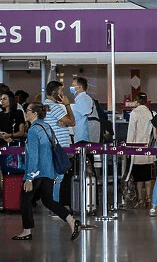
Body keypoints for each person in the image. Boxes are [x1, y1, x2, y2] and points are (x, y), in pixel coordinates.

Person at [11, 102, 81, 241]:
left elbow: (33, 155)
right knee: (48, 201)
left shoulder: (33, 130)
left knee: (25, 200)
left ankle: (27, 231)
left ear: (35, 113)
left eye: (28, 110)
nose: (26, 113)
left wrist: (29, 177)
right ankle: (71, 221)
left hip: (36, 172)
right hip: (48, 171)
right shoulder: (47, 127)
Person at [41, 81, 76, 209]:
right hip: (58, 147)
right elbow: (72, 122)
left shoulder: (45, 105)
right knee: (58, 178)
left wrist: (63, 122)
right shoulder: (53, 107)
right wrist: (67, 105)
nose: (63, 94)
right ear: (54, 92)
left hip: (51, 146)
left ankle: (53, 205)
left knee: (54, 178)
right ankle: (54, 207)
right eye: (61, 91)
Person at [126, 92, 155, 209]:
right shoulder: (151, 113)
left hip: (136, 147)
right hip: (148, 147)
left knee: (138, 176)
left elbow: (131, 131)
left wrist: (128, 146)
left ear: (136, 101)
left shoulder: (135, 113)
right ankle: (149, 198)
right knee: (147, 175)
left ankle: (140, 199)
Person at [69, 77, 94, 144]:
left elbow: (87, 113)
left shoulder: (83, 99)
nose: (71, 87)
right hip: (79, 135)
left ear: (79, 87)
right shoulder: (80, 99)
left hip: (82, 136)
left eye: (73, 85)